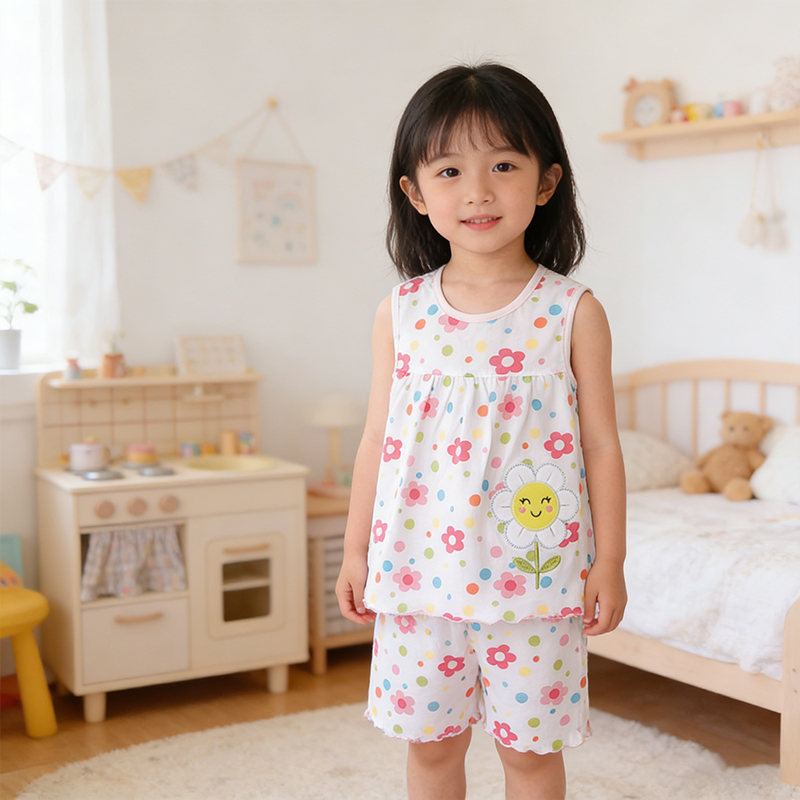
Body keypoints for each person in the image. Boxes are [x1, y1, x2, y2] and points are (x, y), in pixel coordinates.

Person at [336, 62, 627, 800]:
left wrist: (611, 561)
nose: (477, 191)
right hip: (417, 576)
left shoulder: (572, 311)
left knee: (529, 756)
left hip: (536, 583)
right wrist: (354, 550)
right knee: (432, 750)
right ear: (415, 192)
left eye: (503, 165)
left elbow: (601, 445)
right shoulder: (401, 312)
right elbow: (376, 441)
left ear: (546, 181)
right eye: (449, 170)